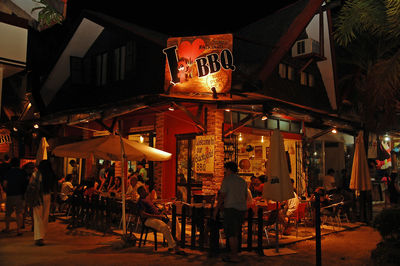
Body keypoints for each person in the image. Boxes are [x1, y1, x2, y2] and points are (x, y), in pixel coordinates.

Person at [213, 161, 247, 263]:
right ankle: (233, 253)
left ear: (228, 169)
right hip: (241, 209)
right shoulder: (243, 181)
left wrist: (216, 210)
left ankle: (234, 256)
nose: (224, 172)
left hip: (231, 209)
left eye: (225, 169)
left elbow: (222, 196)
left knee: (231, 234)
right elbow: (245, 197)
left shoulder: (227, 180)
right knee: (236, 233)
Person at [137, 186, 185, 255]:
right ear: (141, 192)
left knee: (174, 220)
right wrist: (157, 216)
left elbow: (153, 208)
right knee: (164, 227)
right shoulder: (140, 201)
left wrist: (162, 211)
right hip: (148, 219)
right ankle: (174, 246)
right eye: (144, 190)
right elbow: (143, 214)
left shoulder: (147, 199)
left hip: (156, 216)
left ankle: (178, 239)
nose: (146, 191)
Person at [31, 160, 57, 246]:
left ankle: (39, 237)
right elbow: (54, 189)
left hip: (38, 197)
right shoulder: (51, 175)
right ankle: (42, 236)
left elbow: (31, 185)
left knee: (37, 217)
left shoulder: (36, 174)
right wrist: (54, 200)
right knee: (45, 217)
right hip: (47, 196)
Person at [2, 158, 28, 236]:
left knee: (8, 213)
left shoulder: (8, 172)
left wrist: (6, 190)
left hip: (10, 195)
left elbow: (5, 183)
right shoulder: (22, 172)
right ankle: (19, 230)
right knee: (19, 213)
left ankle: (7, 228)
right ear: (19, 164)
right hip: (20, 195)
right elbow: (26, 183)